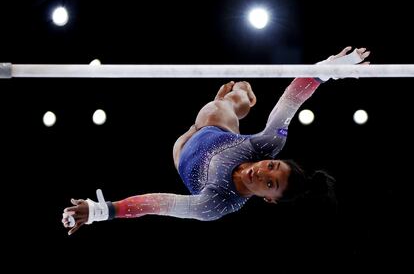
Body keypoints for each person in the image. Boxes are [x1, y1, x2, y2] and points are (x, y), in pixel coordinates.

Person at [62, 46, 370, 235]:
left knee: (216, 112)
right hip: (215, 129)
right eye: (272, 166)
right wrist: (326, 70)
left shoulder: (217, 204)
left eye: (270, 183)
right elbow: (291, 99)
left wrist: (105, 211)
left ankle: (236, 101)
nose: (262, 171)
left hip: (182, 152)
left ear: (269, 199)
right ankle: (238, 99)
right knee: (220, 109)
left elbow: (159, 204)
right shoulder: (266, 144)